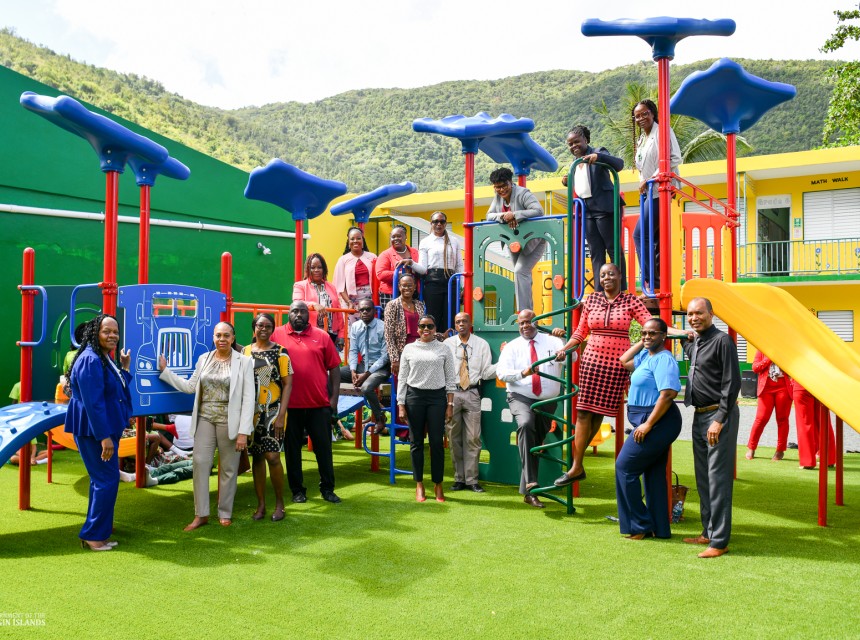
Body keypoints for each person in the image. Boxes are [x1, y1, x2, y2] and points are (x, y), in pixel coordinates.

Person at [554, 263, 684, 487]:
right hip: (592, 360)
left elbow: (650, 324)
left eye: (611, 274)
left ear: (620, 276)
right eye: (602, 275)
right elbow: (579, 332)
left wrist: (681, 332)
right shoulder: (591, 300)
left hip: (615, 363)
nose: (606, 278)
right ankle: (577, 465)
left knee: (599, 414)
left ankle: (584, 464)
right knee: (583, 412)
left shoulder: (630, 300)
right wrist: (564, 349)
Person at [158, 321, 255, 531]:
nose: (222, 339)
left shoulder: (244, 362)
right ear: (213, 337)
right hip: (205, 418)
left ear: (233, 337)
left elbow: (249, 399)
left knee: (228, 468)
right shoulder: (204, 358)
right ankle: (200, 514)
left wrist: (243, 433)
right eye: (218, 335)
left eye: (226, 336)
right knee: (200, 464)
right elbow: (191, 386)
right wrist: (166, 371)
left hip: (231, 421)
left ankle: (225, 512)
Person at [64, 314, 132, 551]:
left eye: (115, 331)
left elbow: (113, 389)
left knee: (102, 480)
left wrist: (124, 368)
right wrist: (104, 437)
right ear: (95, 333)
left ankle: (98, 531)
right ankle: (93, 535)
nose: (113, 335)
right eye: (107, 331)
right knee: (106, 480)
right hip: (94, 431)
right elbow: (94, 403)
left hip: (102, 428)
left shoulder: (103, 358)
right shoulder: (91, 360)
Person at [681, 297, 741, 559]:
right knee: (703, 476)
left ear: (711, 314)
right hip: (699, 415)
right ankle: (707, 531)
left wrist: (720, 418)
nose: (694, 317)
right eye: (690, 314)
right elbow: (686, 347)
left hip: (718, 415)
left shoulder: (722, 341)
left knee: (718, 478)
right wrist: (684, 336)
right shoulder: (696, 343)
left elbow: (732, 382)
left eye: (699, 313)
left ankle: (719, 541)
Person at [616, 317, 682, 540]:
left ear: (664, 336)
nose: (646, 336)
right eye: (644, 333)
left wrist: (648, 424)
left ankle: (640, 524)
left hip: (658, 421)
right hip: (645, 419)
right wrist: (642, 341)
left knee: (624, 467)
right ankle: (659, 528)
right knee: (653, 475)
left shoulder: (664, 360)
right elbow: (624, 360)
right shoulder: (646, 355)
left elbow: (667, 395)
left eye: (652, 333)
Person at [271, 301, 343, 504]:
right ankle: (297, 491)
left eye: (303, 311)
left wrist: (334, 399)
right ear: (288, 314)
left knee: (324, 449)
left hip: (318, 405)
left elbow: (335, 368)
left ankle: (328, 489)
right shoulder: (276, 335)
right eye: (295, 311)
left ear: (307, 314)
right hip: (289, 406)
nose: (299, 314)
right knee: (293, 451)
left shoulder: (321, 336)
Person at [496, 309, 567, 508]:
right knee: (526, 425)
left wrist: (563, 356)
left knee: (535, 442)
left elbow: (574, 358)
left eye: (528, 322)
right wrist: (523, 372)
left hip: (547, 399)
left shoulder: (553, 341)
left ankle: (527, 492)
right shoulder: (512, 347)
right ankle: (532, 484)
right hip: (521, 396)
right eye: (521, 323)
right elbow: (501, 373)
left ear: (536, 322)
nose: (525, 326)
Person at [397, 314, 456, 503]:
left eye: (430, 326)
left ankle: (438, 483)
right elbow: (402, 378)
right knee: (416, 443)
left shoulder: (444, 349)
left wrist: (450, 404)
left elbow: (450, 378)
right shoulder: (409, 348)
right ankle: (419, 483)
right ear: (417, 329)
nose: (426, 330)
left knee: (437, 443)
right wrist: (400, 404)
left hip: (437, 397)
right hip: (414, 397)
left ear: (435, 328)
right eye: (422, 326)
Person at [561, 125, 626, 291]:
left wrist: (599, 157)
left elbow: (619, 164)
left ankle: (620, 288)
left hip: (605, 208)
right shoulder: (574, 164)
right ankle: (599, 291)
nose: (573, 146)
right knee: (596, 251)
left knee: (613, 248)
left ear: (586, 140)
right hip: (588, 212)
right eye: (570, 144)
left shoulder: (598, 152)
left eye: (577, 142)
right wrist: (568, 179)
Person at [242, 313, 293, 522]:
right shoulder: (244, 352)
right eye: (260, 325)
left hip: (273, 410)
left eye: (268, 326)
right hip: (251, 412)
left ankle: (280, 503)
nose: (264, 329)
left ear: (273, 329)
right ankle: (261, 504)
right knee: (258, 457)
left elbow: (288, 384)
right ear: (254, 327)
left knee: (272, 456)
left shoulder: (281, 353)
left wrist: (281, 415)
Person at [632, 99, 681, 290]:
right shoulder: (642, 139)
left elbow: (675, 157)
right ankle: (657, 281)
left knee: (640, 234)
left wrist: (650, 179)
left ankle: (649, 279)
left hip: (661, 190)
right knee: (654, 238)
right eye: (637, 115)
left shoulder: (663, 131)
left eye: (645, 113)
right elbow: (641, 166)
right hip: (648, 192)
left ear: (653, 113)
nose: (641, 118)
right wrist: (643, 182)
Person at [443, 312, 496, 493]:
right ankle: (459, 479)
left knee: (473, 438)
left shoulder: (481, 344)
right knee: (454, 438)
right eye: (458, 322)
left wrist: (505, 360)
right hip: (452, 394)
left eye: (464, 321)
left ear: (470, 323)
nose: (461, 324)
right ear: (455, 325)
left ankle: (472, 480)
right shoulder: (447, 345)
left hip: (473, 392)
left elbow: (488, 372)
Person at [486, 167, 545, 312]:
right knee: (522, 275)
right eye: (497, 187)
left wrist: (516, 214)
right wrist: (503, 216)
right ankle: (529, 313)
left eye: (504, 185)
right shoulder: (498, 197)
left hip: (533, 240)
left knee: (520, 271)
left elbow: (538, 211)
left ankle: (523, 314)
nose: (501, 190)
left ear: (510, 182)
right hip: (513, 240)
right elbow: (489, 215)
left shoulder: (523, 193)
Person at [340, 298, 389, 435]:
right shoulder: (356, 326)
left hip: (380, 367)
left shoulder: (383, 327)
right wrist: (353, 370)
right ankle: (331, 414)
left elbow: (385, 356)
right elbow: (353, 350)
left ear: (374, 311)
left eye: (368, 309)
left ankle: (380, 418)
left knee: (367, 387)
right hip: (362, 366)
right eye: (362, 310)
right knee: (332, 375)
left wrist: (366, 374)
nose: (365, 312)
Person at [412, 211, 463, 332]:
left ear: (445, 224)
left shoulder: (454, 241)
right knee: (433, 315)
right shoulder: (425, 241)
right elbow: (423, 268)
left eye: (442, 221)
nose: (439, 224)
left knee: (450, 314)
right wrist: (411, 263)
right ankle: (434, 342)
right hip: (433, 281)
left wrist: (463, 287)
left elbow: (459, 265)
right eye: (435, 221)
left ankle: (449, 342)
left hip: (451, 281)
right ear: (431, 223)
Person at [745, 349, 792, 462]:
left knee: (782, 419)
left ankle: (780, 450)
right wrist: (768, 359)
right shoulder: (761, 349)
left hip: (783, 387)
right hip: (765, 388)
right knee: (761, 418)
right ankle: (751, 447)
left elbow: (793, 368)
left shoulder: (786, 350)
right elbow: (755, 368)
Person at [292, 253, 345, 347]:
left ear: (324, 269)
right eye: (312, 267)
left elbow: (338, 312)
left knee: (330, 361)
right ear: (308, 269)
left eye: (319, 267)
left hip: (331, 333)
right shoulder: (300, 285)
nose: (316, 270)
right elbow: (297, 302)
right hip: (310, 332)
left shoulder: (331, 287)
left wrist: (341, 334)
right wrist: (313, 304)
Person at [383, 274, 426, 379]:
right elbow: (389, 334)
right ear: (399, 287)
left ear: (415, 287)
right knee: (402, 385)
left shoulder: (419, 305)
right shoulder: (392, 305)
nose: (407, 288)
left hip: (419, 349)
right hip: (402, 350)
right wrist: (394, 359)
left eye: (410, 285)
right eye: (404, 285)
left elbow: (424, 328)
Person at [333, 226, 377, 327]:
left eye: (358, 238)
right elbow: (339, 286)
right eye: (352, 239)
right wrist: (349, 302)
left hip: (369, 300)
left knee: (369, 327)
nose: (355, 241)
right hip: (350, 302)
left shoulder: (373, 257)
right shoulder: (343, 260)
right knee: (352, 331)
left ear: (363, 240)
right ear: (348, 242)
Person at [792, 380, 836, 470]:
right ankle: (829, 459)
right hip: (819, 384)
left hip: (801, 384)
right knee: (824, 422)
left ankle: (808, 462)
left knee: (804, 424)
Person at [375, 224, 419, 313]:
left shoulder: (415, 252)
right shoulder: (385, 254)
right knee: (393, 320)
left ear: (405, 236)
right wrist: (401, 274)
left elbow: (421, 268)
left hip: (412, 292)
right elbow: (380, 274)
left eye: (399, 236)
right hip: (390, 294)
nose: (396, 239)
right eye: (393, 237)